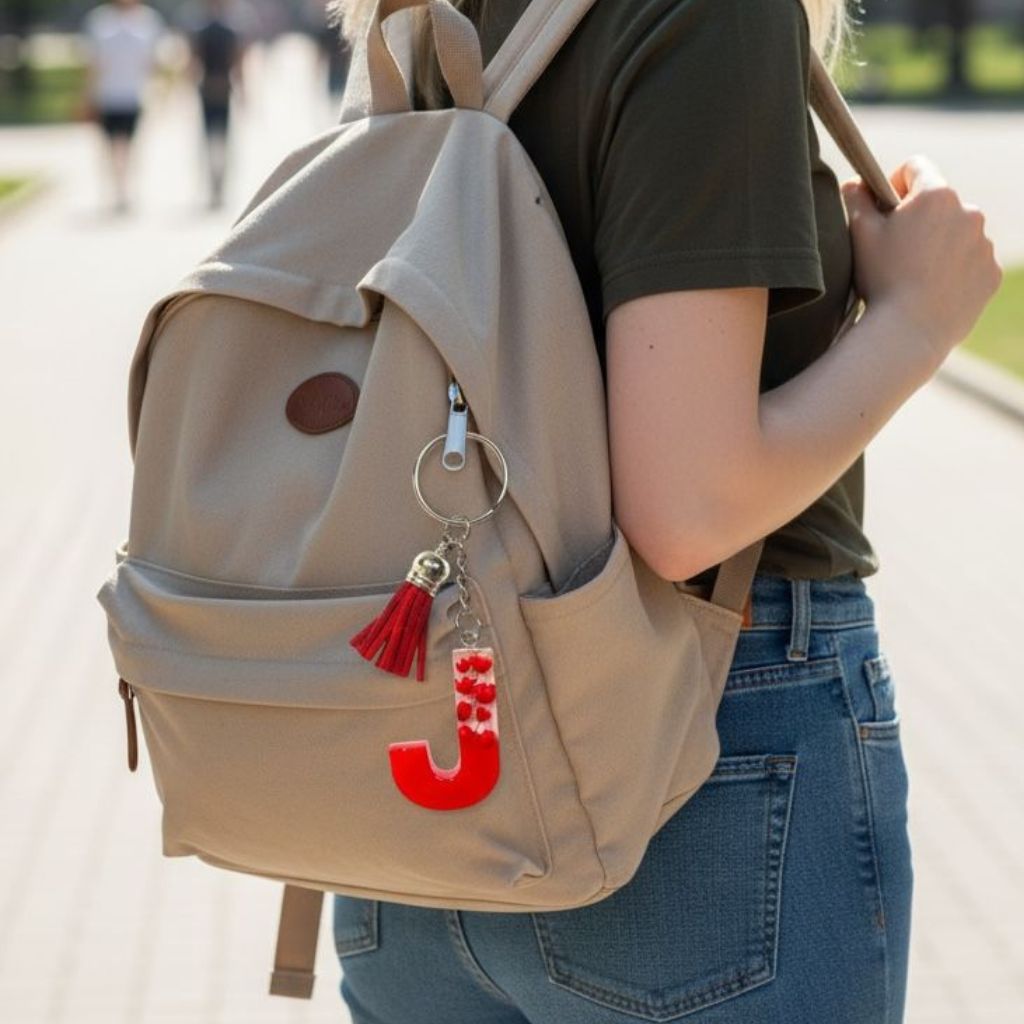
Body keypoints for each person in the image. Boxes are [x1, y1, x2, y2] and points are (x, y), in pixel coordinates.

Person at [327, 2, 1002, 1023]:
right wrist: (917, 317)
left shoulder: (419, 17)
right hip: (696, 754)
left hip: (422, 798)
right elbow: (687, 507)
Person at [80, 0, 165, 213]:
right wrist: (87, 95)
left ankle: (125, 189)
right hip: (107, 95)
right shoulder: (100, 20)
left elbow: (153, 61)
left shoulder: (149, 20)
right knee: (111, 147)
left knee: (129, 146)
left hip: (134, 95)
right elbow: (93, 62)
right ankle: (118, 189)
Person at [187, 0, 247, 210]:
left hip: (209, 88)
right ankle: (217, 185)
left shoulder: (202, 31)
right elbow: (238, 64)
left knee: (212, 140)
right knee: (220, 140)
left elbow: (192, 64)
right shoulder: (229, 31)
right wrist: (244, 93)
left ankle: (216, 186)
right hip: (222, 89)